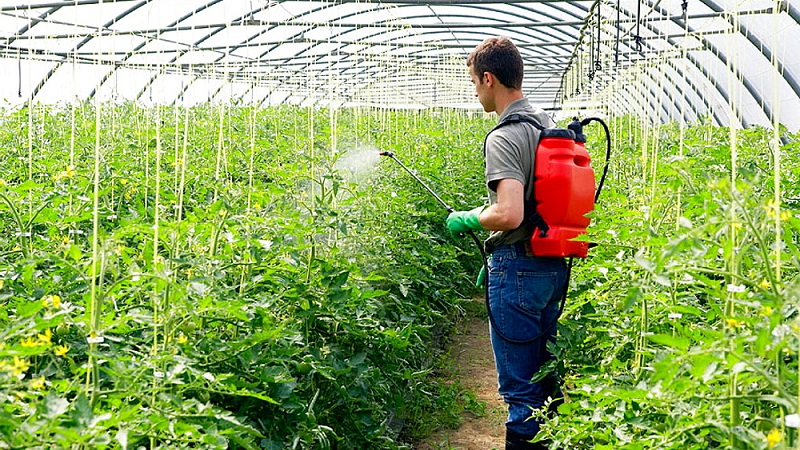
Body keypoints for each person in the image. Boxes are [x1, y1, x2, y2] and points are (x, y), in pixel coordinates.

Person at [445, 37, 569, 450]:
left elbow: (511, 213)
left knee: (520, 393)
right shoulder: (544, 121)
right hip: (553, 267)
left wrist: (471, 218)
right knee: (545, 381)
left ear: (489, 78)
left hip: (518, 271)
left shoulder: (504, 136)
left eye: (474, 84)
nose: (475, 92)